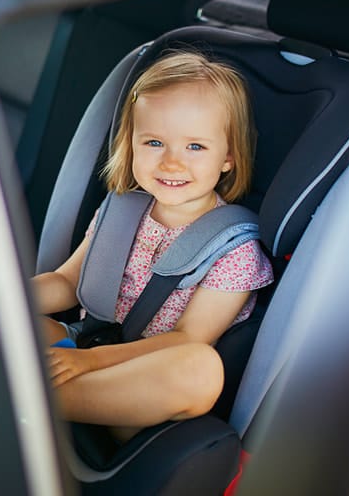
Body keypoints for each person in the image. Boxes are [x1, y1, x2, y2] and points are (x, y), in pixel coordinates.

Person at [32, 50, 273, 440]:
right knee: (8, 322)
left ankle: (26, 398)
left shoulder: (235, 250)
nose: (172, 163)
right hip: (85, 345)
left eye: (195, 146)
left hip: (142, 384)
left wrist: (92, 363)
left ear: (228, 157)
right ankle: (34, 394)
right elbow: (65, 282)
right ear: (131, 145)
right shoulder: (121, 211)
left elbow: (188, 339)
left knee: (199, 367)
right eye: (155, 142)